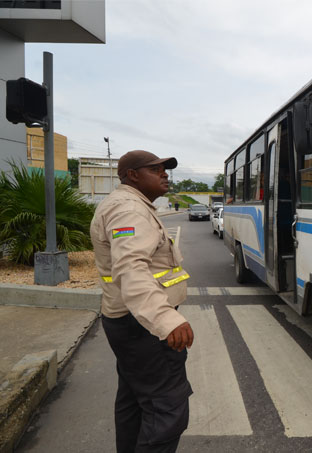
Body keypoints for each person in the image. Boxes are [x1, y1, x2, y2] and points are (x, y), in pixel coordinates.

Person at [90, 150, 194, 453]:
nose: (164, 174)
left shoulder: (129, 206)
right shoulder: (129, 211)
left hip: (126, 320)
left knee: (134, 400)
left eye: (165, 169)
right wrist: (166, 319)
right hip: (142, 327)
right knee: (166, 407)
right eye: (155, 169)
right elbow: (130, 268)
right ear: (132, 175)